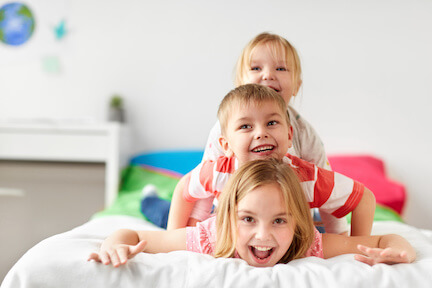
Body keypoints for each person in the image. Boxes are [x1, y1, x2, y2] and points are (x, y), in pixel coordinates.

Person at [143, 32, 345, 233]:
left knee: (317, 225)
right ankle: (149, 199)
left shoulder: (304, 133)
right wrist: (195, 229)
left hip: (283, 218)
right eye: (256, 68)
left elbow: (327, 186)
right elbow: (204, 185)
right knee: (167, 214)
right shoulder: (226, 129)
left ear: (296, 85)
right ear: (240, 83)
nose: (268, 75)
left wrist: (339, 234)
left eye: (281, 68)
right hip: (234, 217)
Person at [88, 159, 415, 268]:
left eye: (279, 220)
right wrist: (112, 245)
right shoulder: (207, 238)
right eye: (248, 218)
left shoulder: (305, 244)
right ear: (230, 218)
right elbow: (132, 236)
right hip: (197, 214)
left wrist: (401, 251)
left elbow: (385, 238)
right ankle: (148, 195)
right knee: (158, 213)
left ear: (296, 222)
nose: (263, 235)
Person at [168, 84, 376, 237]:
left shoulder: (306, 179)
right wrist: (174, 237)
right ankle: (149, 199)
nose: (261, 133)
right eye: (246, 126)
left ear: (289, 135)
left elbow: (364, 199)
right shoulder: (219, 172)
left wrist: (357, 247)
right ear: (226, 145)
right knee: (160, 212)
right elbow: (183, 190)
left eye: (272, 123)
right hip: (220, 224)